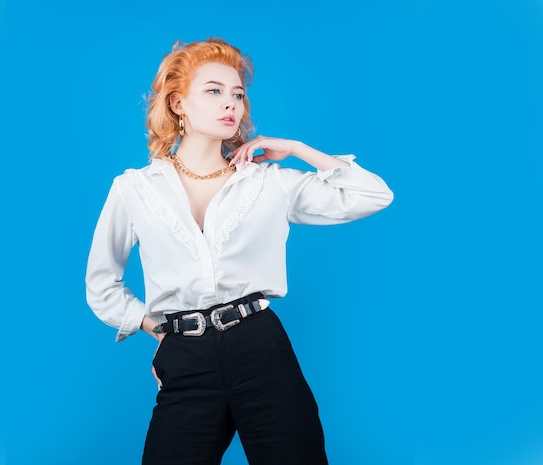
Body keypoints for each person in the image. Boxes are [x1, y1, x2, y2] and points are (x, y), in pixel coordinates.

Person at [85, 37, 393, 465]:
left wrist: (300, 150)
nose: (231, 103)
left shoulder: (268, 182)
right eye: (213, 91)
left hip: (260, 348)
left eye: (238, 94)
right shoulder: (134, 188)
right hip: (185, 355)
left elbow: (373, 194)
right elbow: (101, 284)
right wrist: (159, 333)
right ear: (178, 104)